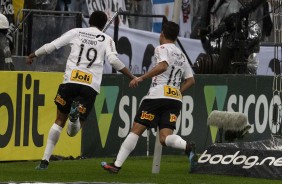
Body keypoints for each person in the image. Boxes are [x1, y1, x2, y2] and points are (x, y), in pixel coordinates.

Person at [26, 10, 136, 170]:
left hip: (70, 81)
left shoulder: (76, 32)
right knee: (73, 132)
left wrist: (33, 55)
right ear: (104, 24)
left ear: (89, 20)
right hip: (89, 87)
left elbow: (52, 46)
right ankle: (75, 118)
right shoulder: (107, 39)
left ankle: (44, 161)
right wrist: (131, 76)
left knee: (58, 122)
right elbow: (113, 60)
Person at [101, 21, 197, 174]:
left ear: (162, 34)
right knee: (164, 138)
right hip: (175, 99)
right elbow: (191, 80)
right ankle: (187, 146)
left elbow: (163, 66)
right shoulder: (182, 55)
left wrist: (141, 78)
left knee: (136, 130)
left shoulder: (162, 48)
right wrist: (177, 91)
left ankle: (116, 165)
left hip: (157, 96)